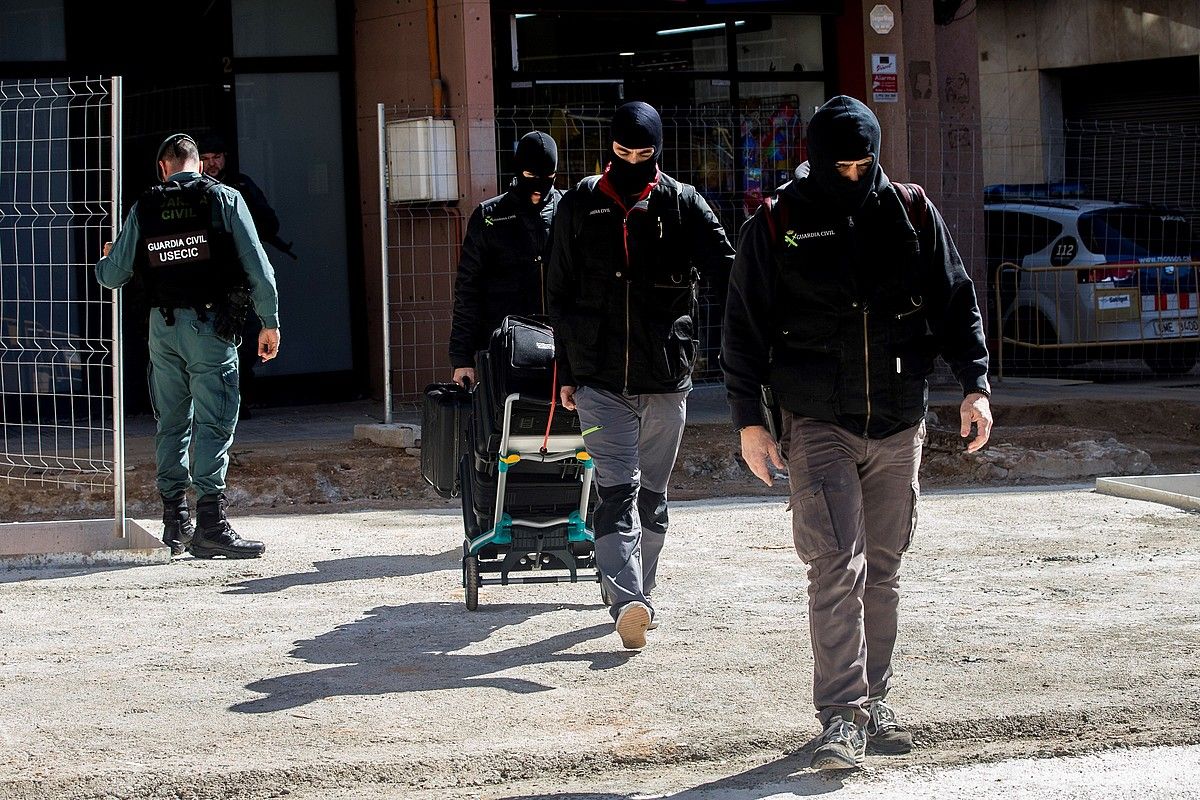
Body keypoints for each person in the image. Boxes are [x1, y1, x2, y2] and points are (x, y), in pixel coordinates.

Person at [721, 95, 993, 770]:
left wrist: (976, 385)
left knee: (884, 568)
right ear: (814, 159)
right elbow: (741, 332)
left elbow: (956, 300)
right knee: (836, 567)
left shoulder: (911, 211)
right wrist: (750, 423)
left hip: (900, 419)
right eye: (838, 163)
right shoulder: (777, 222)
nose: (852, 174)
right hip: (818, 422)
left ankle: (875, 698)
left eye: (863, 161)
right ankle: (841, 717)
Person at [547, 101, 735, 650]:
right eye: (622, 152)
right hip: (599, 379)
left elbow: (731, 269)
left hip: (665, 378)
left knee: (652, 498)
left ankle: (640, 595)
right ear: (609, 147)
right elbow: (556, 295)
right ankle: (625, 597)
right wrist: (567, 370)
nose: (632, 161)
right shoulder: (579, 204)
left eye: (643, 153)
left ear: (658, 151)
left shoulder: (682, 204)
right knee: (615, 491)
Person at [97, 133, 281, 559]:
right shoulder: (224, 198)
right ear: (197, 164)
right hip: (211, 329)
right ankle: (211, 524)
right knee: (214, 421)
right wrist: (269, 323)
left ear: (164, 167)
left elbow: (111, 277)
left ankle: (174, 521)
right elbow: (258, 265)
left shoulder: (144, 205)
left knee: (172, 422)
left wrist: (108, 256)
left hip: (162, 330)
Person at [449, 130, 562, 386]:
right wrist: (461, 358)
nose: (538, 186)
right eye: (531, 176)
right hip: (505, 348)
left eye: (547, 178)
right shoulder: (490, 216)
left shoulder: (566, 210)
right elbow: (468, 290)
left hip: (561, 346)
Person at [198, 134, 292, 412]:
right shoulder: (194, 190)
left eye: (217, 157)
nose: (212, 164)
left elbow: (269, 222)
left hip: (240, 275)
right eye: (205, 159)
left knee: (248, 336)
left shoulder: (240, 187)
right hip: (207, 278)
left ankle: (239, 397)